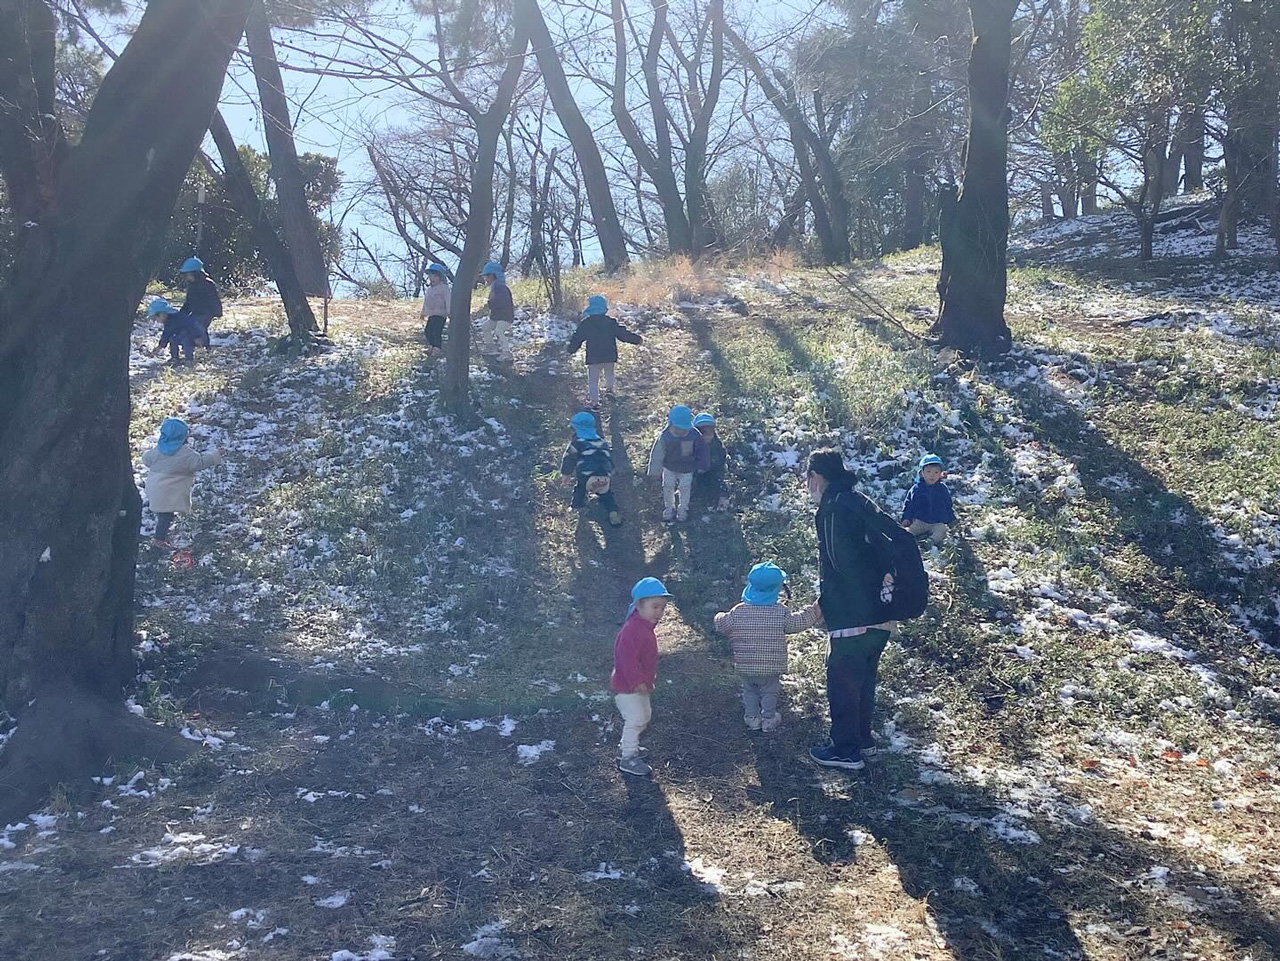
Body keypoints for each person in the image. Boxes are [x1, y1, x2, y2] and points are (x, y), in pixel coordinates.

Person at [806, 449, 896, 771]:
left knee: (843, 681)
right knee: (865, 678)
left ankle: (845, 750)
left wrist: (829, 601)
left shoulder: (831, 510)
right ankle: (863, 740)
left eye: (809, 479)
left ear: (816, 476)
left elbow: (838, 563)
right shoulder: (860, 501)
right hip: (882, 612)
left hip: (851, 614)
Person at [714, 562, 821, 732]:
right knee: (770, 691)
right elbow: (798, 622)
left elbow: (723, 624)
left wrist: (719, 616)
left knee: (749, 691)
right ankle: (769, 719)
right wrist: (815, 609)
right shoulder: (780, 611)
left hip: (746, 665)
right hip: (771, 666)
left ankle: (752, 718)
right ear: (777, 589)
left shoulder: (738, 611)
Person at [611, 577, 673, 776]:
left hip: (640, 685)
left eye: (662, 608)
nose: (659, 612)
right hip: (627, 686)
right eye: (655, 607)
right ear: (639, 605)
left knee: (644, 717)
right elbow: (626, 659)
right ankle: (628, 758)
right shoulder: (633, 629)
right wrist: (637, 681)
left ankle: (627, 747)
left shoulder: (644, 627)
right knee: (636, 719)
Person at [141, 417, 223, 548]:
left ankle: (161, 537)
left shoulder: (157, 451)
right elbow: (199, 463)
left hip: (154, 488)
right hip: (169, 491)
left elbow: (145, 459)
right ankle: (158, 540)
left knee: (163, 515)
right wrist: (215, 456)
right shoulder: (186, 454)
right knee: (165, 517)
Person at [567, 294, 643, 408]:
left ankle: (594, 402)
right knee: (609, 373)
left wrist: (571, 350)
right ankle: (609, 390)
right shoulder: (610, 322)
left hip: (593, 357)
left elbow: (577, 338)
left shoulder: (586, 323)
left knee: (593, 380)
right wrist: (637, 340)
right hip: (609, 355)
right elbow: (622, 334)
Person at [646, 405, 710, 523]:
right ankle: (669, 508)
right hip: (669, 467)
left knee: (685, 488)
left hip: (687, 468)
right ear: (670, 424)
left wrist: (702, 465)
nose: (681, 432)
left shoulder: (695, 436)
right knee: (668, 487)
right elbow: (657, 455)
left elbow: (702, 451)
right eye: (678, 429)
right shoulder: (665, 436)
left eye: (684, 429)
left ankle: (683, 509)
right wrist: (655, 471)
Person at [560, 411, 623, 527]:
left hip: (586, 474)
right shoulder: (601, 442)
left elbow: (569, 458)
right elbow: (608, 458)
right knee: (606, 495)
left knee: (580, 488)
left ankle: (576, 506)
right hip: (604, 475)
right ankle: (612, 511)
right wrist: (612, 472)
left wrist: (566, 474)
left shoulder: (577, 442)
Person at [900, 454, 955, 544]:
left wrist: (951, 519)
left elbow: (948, 505)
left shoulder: (942, 488)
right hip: (920, 520)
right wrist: (906, 517)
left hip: (937, 521)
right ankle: (905, 541)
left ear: (941, 474)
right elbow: (909, 504)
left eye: (936, 472)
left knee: (942, 530)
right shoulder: (916, 489)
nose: (932, 475)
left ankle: (929, 542)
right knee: (909, 531)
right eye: (928, 472)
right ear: (922, 473)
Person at [176, 257, 223, 349]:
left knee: (199, 327)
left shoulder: (208, 284)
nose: (187, 277)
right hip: (196, 312)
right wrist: (182, 313)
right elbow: (189, 302)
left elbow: (214, 299)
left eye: (188, 274)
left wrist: (217, 312)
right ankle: (195, 346)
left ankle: (205, 347)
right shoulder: (192, 286)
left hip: (207, 313)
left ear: (196, 273)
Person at [691, 412, 730, 512]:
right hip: (695, 473)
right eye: (703, 432)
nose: (707, 435)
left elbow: (721, 461)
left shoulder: (717, 445)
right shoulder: (691, 445)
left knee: (719, 484)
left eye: (710, 431)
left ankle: (722, 502)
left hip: (712, 472)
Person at [147, 297, 201, 367]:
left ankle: (189, 359)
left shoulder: (179, 317)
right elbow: (166, 335)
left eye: (156, 318)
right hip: (180, 336)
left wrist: (198, 337)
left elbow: (193, 325)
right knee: (172, 339)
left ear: (163, 314)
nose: (156, 321)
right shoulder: (168, 321)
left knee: (186, 341)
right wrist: (161, 345)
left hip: (192, 336)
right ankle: (175, 358)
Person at [479, 260, 514, 361]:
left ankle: (506, 352)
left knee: (499, 331)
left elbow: (501, 303)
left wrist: (491, 304)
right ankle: (491, 348)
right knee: (485, 327)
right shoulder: (494, 288)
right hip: (496, 316)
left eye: (487, 275)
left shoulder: (501, 288)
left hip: (505, 316)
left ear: (493, 276)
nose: (485, 278)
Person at [420, 262, 451, 354]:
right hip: (432, 314)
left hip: (440, 314)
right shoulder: (430, 289)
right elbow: (426, 302)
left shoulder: (444, 288)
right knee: (428, 331)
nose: (432, 278)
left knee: (436, 331)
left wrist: (449, 311)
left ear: (440, 277)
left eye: (435, 276)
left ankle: (437, 348)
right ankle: (431, 346)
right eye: (430, 276)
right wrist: (423, 312)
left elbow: (448, 300)